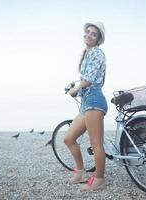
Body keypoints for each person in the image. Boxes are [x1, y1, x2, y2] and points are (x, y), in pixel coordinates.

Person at [64, 21, 108, 191]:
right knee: (68, 138)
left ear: (98, 39)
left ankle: (100, 179)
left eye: (94, 34)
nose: (89, 35)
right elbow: (85, 77)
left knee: (96, 144)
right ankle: (81, 172)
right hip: (87, 102)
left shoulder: (97, 52)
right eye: (88, 32)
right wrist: (76, 87)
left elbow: (89, 79)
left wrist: (76, 88)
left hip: (95, 100)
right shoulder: (87, 53)